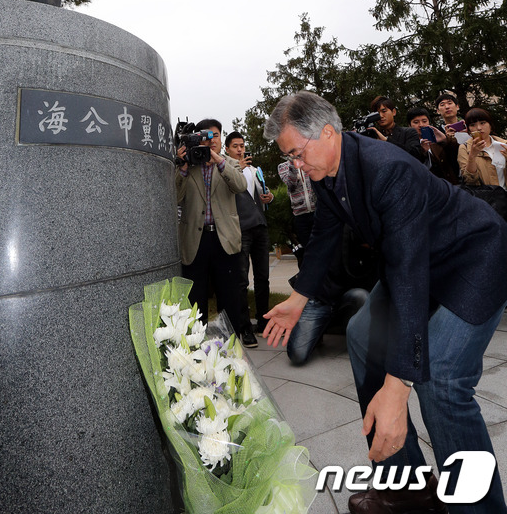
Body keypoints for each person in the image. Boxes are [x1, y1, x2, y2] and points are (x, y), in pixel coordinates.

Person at [263, 90, 507, 514]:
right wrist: (299, 298)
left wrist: (397, 387)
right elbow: (322, 237)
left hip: (473, 257)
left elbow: (409, 276)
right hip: (420, 260)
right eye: (290, 160)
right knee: (360, 334)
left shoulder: (386, 168)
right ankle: (407, 486)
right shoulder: (330, 171)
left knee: (442, 379)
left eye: (297, 155)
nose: (297, 167)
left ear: (325, 131)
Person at [176, 119, 246, 334]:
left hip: (224, 239)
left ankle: (231, 351)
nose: (210, 140)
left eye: (214, 135)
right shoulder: (189, 164)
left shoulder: (229, 163)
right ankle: (197, 352)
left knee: (229, 298)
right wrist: (183, 166)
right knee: (195, 301)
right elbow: (175, 197)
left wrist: (218, 161)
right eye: (205, 136)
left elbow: (240, 185)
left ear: (220, 138)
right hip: (195, 241)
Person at [285, 224, 374, 366]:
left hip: (349, 297)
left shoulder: (369, 227)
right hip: (321, 298)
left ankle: (347, 332)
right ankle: (318, 327)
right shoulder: (328, 221)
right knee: (297, 355)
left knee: (362, 297)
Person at [224, 132, 273, 347]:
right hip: (241, 229)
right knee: (241, 280)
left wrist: (269, 197)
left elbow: (263, 193)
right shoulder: (225, 169)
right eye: (235, 146)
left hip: (260, 227)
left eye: (242, 145)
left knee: (263, 277)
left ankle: (263, 321)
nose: (240, 150)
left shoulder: (255, 170)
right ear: (227, 149)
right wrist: (237, 168)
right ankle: (245, 328)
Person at [406, 105, 460, 185]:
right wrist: (423, 151)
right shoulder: (409, 145)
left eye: (424, 121)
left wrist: (445, 139)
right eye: (416, 122)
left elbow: (455, 155)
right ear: (409, 125)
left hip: (450, 185)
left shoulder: (437, 140)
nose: (421, 125)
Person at [277, 160, 316, 263]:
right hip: (301, 216)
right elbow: (291, 185)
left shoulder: (309, 160)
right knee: (307, 253)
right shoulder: (283, 166)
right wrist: (293, 164)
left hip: (318, 212)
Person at [458, 107, 507, 189]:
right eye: (472, 125)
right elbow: (469, 181)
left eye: (482, 123)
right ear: (469, 130)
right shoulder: (465, 148)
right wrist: (472, 156)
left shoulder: (503, 144)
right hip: (485, 198)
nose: (479, 128)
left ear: (490, 125)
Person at [368, 96, 423, 160]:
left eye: (384, 111)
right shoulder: (373, 136)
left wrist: (387, 141)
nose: (380, 116)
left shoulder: (408, 132)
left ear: (394, 112)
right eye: (377, 113)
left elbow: (415, 155)